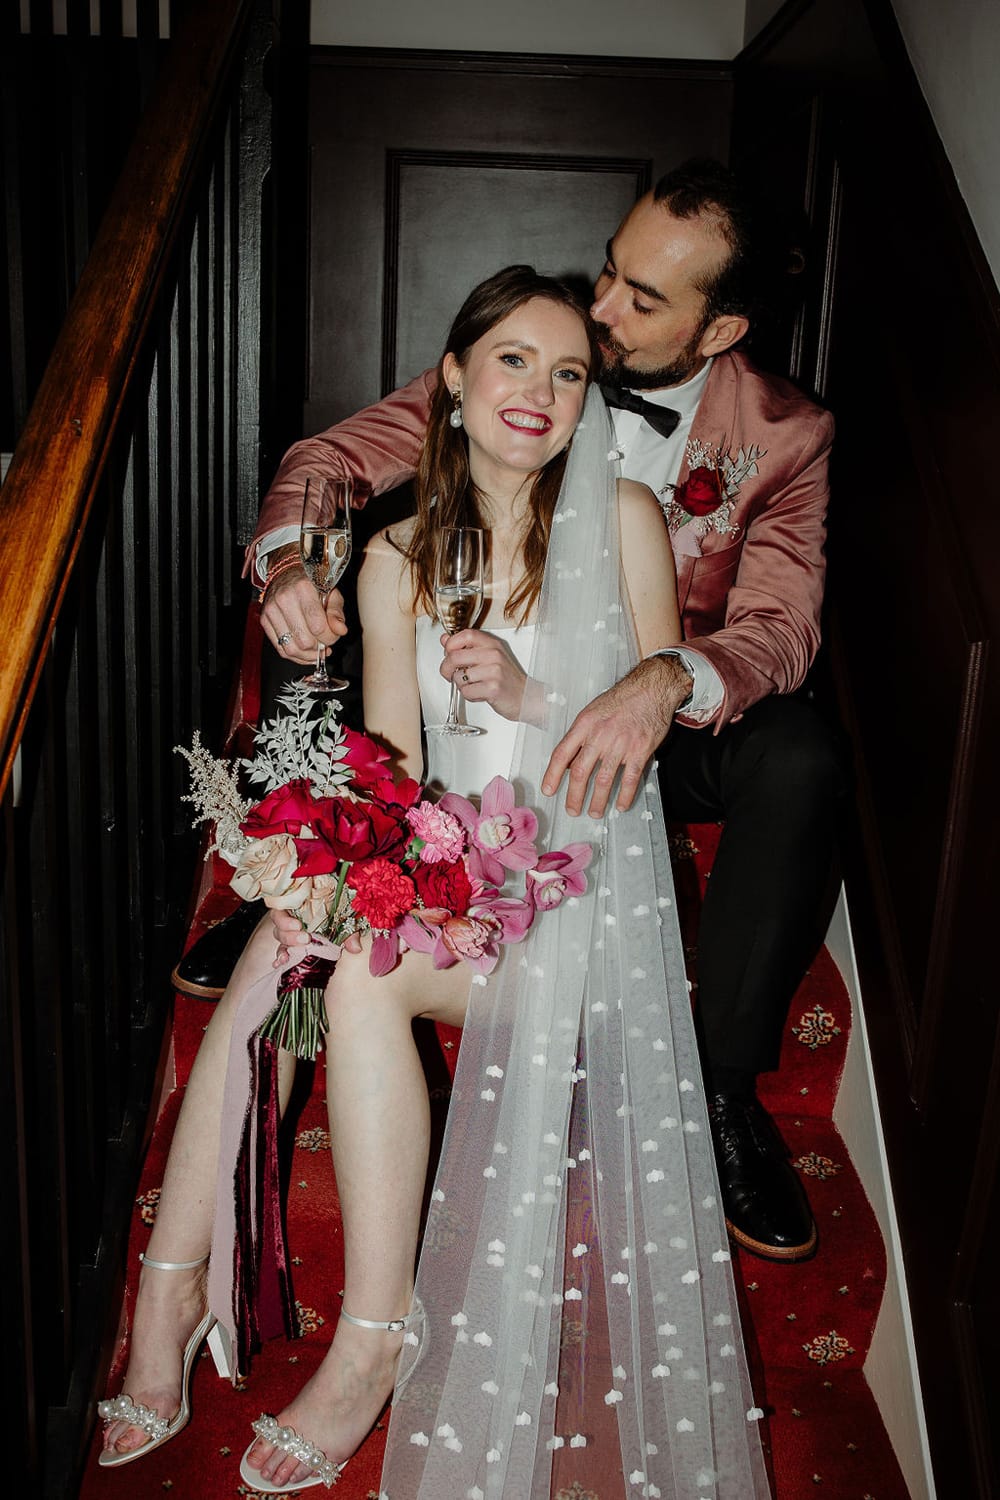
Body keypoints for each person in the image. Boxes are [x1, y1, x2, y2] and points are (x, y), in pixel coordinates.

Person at [99, 266, 771, 1497]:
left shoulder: (624, 518)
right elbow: (402, 773)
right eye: (513, 359)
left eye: (567, 373)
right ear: (453, 378)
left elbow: (651, 744)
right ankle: (176, 1295)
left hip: (582, 900)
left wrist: (533, 694)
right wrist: (323, 859)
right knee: (291, 944)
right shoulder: (396, 558)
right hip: (464, 883)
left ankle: (358, 1337)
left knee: (360, 976)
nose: (541, 391)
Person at [242, 158, 842, 1264]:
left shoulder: (787, 433)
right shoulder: (538, 358)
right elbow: (331, 460)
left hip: (654, 722)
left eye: (642, 300)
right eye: (610, 270)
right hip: (479, 697)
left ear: (719, 331)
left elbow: (780, 629)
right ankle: (303, 863)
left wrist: (659, 681)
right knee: (323, 610)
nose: (601, 310)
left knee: (799, 752)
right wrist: (289, 566)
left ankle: (718, 1088)